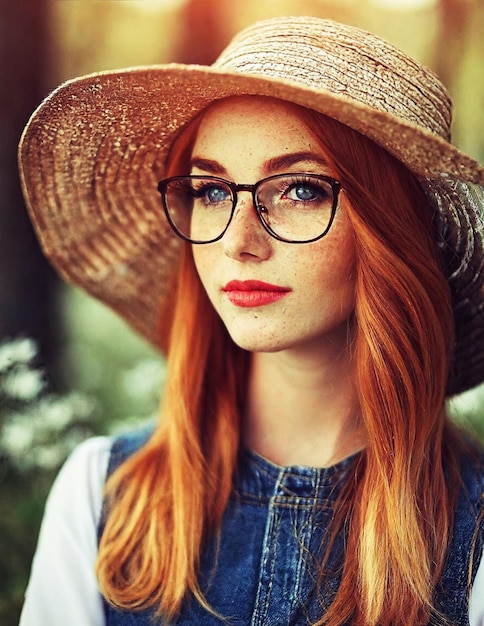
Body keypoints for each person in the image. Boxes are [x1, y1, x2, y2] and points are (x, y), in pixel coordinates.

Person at [17, 14, 484, 626]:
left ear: (393, 228)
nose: (238, 241)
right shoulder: (99, 499)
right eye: (211, 191)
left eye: (299, 190)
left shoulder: (473, 538)